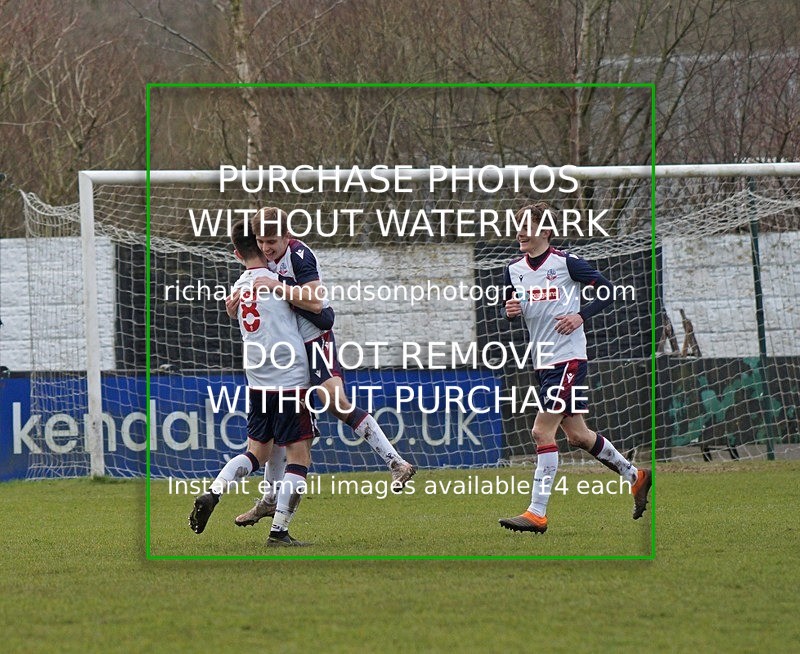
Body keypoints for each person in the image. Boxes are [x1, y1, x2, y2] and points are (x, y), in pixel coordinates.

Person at [230, 207, 416, 528]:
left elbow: (316, 303)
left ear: (288, 237)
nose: (266, 248)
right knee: (279, 432)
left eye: (272, 241)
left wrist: (277, 288)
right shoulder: (261, 261)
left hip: (316, 340)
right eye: (261, 242)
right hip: (287, 354)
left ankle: (396, 462)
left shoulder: (300, 256)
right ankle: (270, 501)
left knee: (335, 402)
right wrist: (234, 306)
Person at [498, 202, 651, 534]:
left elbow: (609, 291)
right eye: (518, 225)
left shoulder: (567, 263)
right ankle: (635, 476)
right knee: (578, 436)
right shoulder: (513, 269)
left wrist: (581, 315)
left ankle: (537, 513)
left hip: (568, 359)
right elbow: (511, 310)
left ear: (546, 231)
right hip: (542, 361)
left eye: (528, 225)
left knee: (541, 432)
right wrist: (509, 312)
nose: (520, 231)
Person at [189, 219, 315, 547]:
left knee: (255, 453)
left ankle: (214, 491)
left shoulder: (237, 289)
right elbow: (314, 305)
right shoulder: (278, 281)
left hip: (257, 383)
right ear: (261, 245)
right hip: (290, 380)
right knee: (298, 457)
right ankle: (279, 532)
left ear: (236, 254)